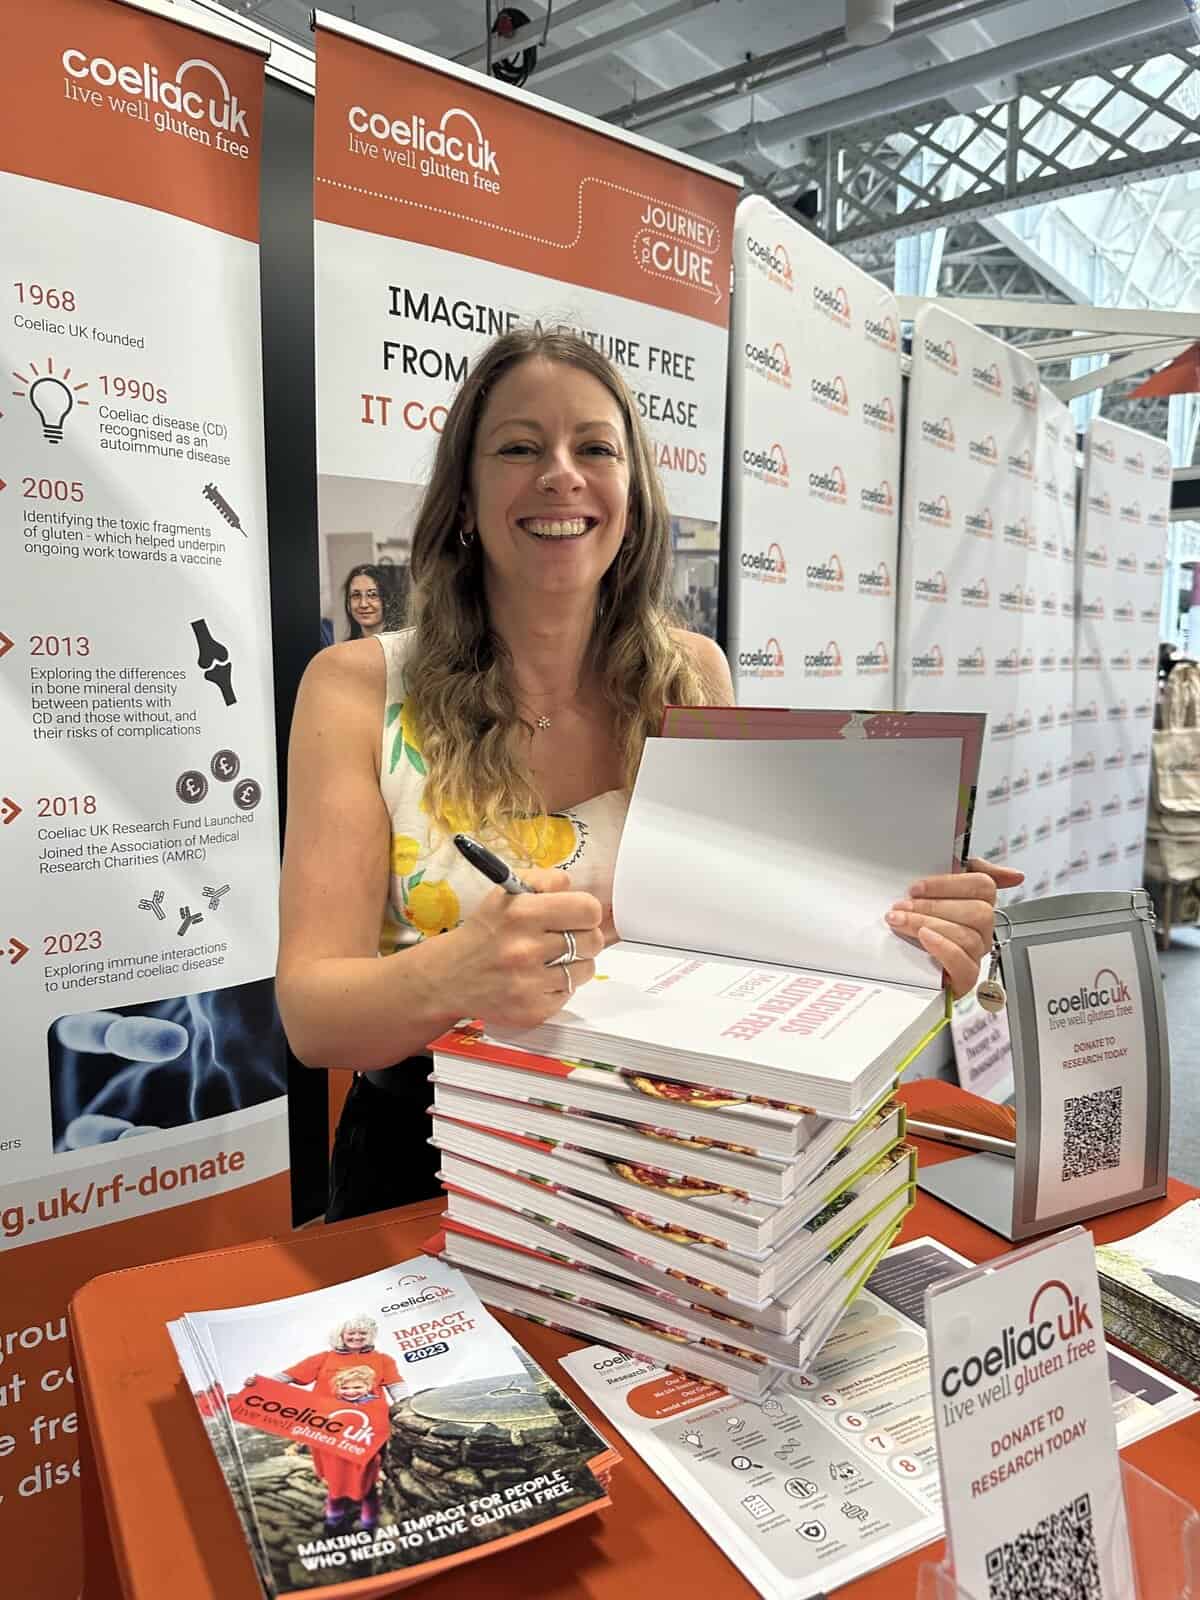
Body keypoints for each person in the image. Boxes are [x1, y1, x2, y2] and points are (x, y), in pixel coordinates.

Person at [277, 328, 1020, 1223]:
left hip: (658, 1156)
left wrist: (904, 921)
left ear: (631, 494)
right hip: (431, 1165)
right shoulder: (358, 688)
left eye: (595, 448)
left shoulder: (690, 680)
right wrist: (460, 975)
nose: (562, 474)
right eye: (519, 447)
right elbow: (314, 1016)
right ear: (465, 498)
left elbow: (749, 935)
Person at [343, 564, 390, 640]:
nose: (363, 604)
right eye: (356, 595)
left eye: (373, 595)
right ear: (348, 603)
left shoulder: (402, 646)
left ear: (387, 601)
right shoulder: (346, 649)